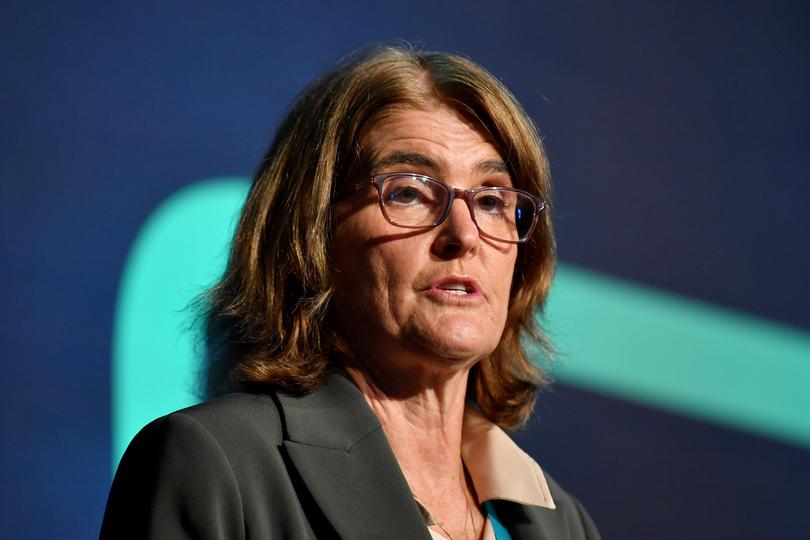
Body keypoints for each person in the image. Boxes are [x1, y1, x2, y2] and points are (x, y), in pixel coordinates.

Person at [100, 46, 601, 540]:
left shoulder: (562, 523)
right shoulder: (217, 465)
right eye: (409, 192)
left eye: (492, 200)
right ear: (311, 236)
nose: (464, 234)